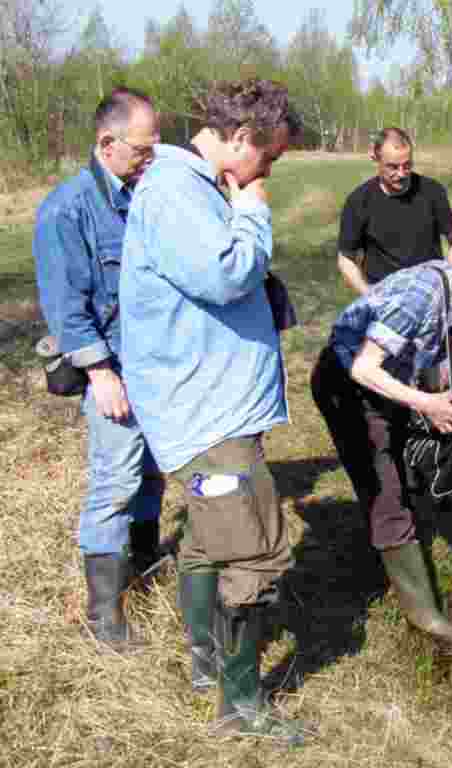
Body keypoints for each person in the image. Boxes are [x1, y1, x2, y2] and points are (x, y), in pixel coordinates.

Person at [119, 79, 306, 743]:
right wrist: (252, 211)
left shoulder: (191, 187)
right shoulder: (175, 191)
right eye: (270, 158)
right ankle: (241, 708)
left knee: (206, 541)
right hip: (207, 420)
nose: (269, 172)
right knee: (254, 553)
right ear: (242, 139)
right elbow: (225, 274)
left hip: (212, 411)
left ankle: (206, 666)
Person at [310, 243, 452, 642]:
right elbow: (364, 368)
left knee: (404, 467)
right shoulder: (420, 296)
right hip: (348, 384)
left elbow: (436, 347)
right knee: (385, 489)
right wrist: (426, 403)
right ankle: (424, 616)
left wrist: (441, 389)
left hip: (391, 380)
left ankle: (390, 546)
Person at [33, 88, 164, 648]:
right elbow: (66, 306)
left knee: (152, 474)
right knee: (116, 482)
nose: (149, 159)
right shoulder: (68, 209)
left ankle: (145, 570)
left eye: (154, 147)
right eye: (141, 149)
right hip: (113, 369)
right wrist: (101, 373)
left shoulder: (146, 194)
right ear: (107, 143)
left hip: (156, 365)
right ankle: (105, 617)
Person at [336, 126, 452, 296]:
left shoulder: (433, 191)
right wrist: (370, 295)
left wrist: (449, 280)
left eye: (407, 165)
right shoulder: (359, 201)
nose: (402, 174)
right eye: (393, 167)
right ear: (375, 159)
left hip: (430, 291)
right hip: (384, 293)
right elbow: (345, 259)